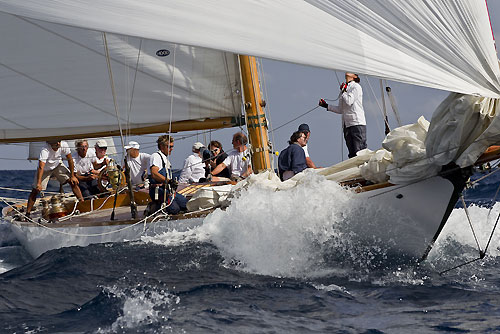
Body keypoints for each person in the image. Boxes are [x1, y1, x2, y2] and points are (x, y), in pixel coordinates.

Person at [25, 140, 84, 217]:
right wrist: (39, 183)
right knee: (35, 190)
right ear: (49, 143)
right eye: (56, 142)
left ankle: (83, 203)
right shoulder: (45, 150)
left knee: (73, 182)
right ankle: (28, 213)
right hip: (45, 169)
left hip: (57, 165)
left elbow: (70, 159)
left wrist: (72, 176)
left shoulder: (63, 144)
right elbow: (41, 167)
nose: (58, 144)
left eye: (59, 141)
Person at [319, 72, 367, 158]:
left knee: (359, 151)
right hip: (347, 125)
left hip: (357, 123)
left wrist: (344, 91)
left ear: (355, 76)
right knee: (352, 153)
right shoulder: (345, 89)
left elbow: (349, 101)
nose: (347, 72)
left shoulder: (356, 87)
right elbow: (340, 109)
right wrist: (326, 106)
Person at [148, 134, 187, 214]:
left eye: (172, 147)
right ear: (162, 147)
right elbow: (154, 173)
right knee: (174, 209)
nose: (171, 149)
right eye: (169, 147)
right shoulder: (156, 156)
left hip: (168, 191)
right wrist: (169, 181)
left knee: (186, 204)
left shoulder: (166, 159)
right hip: (160, 191)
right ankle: (154, 207)